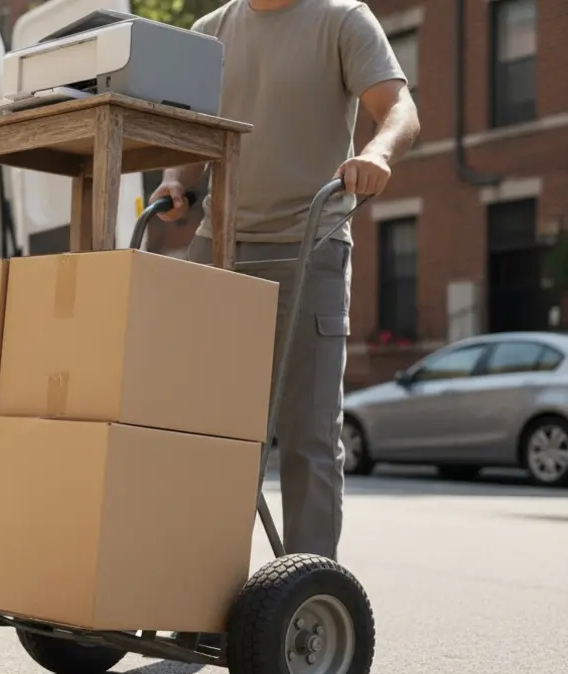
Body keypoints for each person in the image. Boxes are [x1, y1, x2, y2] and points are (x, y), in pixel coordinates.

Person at [151, 0, 419, 561]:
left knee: (308, 437)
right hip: (217, 248)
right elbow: (190, 138)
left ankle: (308, 594)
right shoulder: (208, 32)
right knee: (205, 432)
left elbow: (400, 108)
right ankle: (199, 585)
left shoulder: (342, 18)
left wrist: (376, 153)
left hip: (310, 245)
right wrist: (175, 183)